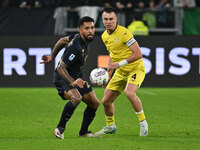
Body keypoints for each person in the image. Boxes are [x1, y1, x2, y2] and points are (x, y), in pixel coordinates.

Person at [40, 16, 100, 139]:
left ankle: (83, 132)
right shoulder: (76, 48)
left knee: (94, 103)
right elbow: (61, 68)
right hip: (63, 77)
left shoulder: (80, 39)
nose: (90, 31)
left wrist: (52, 56)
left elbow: (62, 40)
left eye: (92, 28)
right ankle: (59, 129)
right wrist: (73, 82)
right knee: (76, 97)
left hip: (76, 76)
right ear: (80, 30)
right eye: (87, 28)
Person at [95, 7, 148, 136]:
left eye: (111, 19)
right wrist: (108, 75)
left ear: (116, 19)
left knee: (129, 93)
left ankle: (143, 124)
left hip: (135, 68)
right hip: (120, 72)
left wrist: (119, 64)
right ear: (102, 20)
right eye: (105, 19)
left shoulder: (125, 33)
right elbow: (112, 56)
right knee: (106, 101)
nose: (108, 22)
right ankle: (110, 126)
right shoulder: (104, 36)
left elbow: (138, 54)